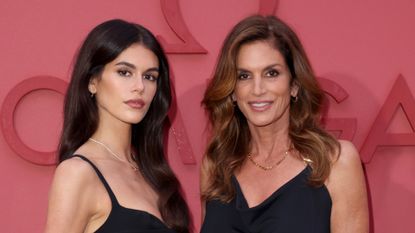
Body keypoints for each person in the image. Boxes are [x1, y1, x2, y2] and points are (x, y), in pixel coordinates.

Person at [200, 15, 368, 233]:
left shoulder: (335, 162)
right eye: (244, 76)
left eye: (272, 73)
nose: (257, 89)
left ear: (294, 85)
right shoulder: (215, 164)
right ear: (232, 91)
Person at [44, 19, 190, 233]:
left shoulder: (153, 172)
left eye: (150, 77)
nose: (139, 87)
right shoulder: (77, 173)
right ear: (92, 81)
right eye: (124, 72)